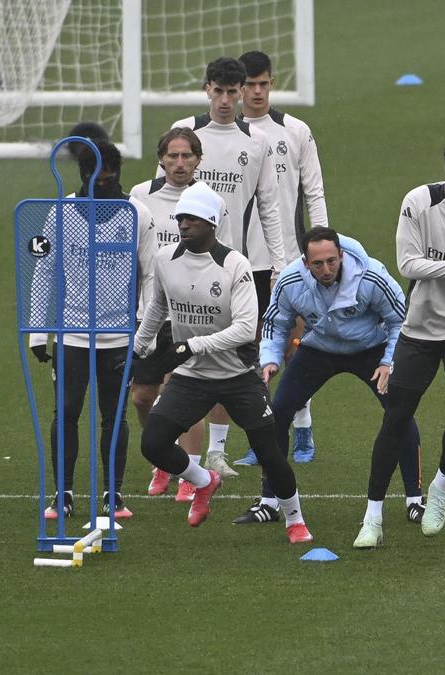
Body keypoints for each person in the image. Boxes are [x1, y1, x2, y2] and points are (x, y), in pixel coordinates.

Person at [134, 181, 313, 544]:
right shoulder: (165, 260)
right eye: (181, 218)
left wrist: (193, 346)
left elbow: (246, 329)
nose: (184, 224)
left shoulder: (235, 265)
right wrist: (138, 347)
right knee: (153, 443)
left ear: (212, 223)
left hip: (237, 376)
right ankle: (203, 481)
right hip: (191, 377)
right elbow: (158, 305)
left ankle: (295, 519)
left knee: (269, 453)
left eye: (193, 219)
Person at [354, 140, 445, 548]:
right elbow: (408, 265)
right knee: (396, 419)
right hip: (418, 331)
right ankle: (372, 518)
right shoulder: (418, 203)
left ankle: (440, 488)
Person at [234, 227, 424, 525]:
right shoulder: (290, 280)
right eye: (318, 264)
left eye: (332, 261)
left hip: (370, 349)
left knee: (399, 412)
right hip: (318, 349)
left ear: (342, 256)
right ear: (305, 263)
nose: (326, 269)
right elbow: (275, 323)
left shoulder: (371, 276)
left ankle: (415, 499)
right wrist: (269, 359)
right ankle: (270, 501)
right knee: (277, 413)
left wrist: (388, 362)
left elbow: (401, 320)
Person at [165, 57, 287, 476]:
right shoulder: (186, 132)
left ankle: (217, 451)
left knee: (231, 356)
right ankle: (180, 453)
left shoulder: (256, 141)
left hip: (236, 265)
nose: (224, 100)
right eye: (217, 91)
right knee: (183, 355)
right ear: (207, 90)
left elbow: (269, 206)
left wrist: (280, 265)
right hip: (187, 264)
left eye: (232, 92)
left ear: (241, 93)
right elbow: (164, 197)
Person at [28, 141, 157, 521]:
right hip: (72, 333)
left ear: (117, 174)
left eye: (109, 178)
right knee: (66, 411)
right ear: (83, 175)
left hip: (120, 335)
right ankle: (63, 494)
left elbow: (151, 274)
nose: (102, 185)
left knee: (114, 416)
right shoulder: (61, 212)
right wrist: (39, 332)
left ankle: (113, 495)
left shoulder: (137, 213)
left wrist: (146, 331)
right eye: (95, 179)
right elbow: (44, 269)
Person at [231, 49, 330, 465]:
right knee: (251, 352)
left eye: (263, 84)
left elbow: (314, 192)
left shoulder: (295, 131)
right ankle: (266, 437)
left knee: (293, 348)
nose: (257, 92)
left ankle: (303, 429)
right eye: (249, 85)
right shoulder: (226, 137)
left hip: (288, 258)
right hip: (238, 261)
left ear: (272, 83)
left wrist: (324, 248)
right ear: (238, 88)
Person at [130, 128, 239, 503]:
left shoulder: (211, 199)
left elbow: (225, 255)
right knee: (142, 397)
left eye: (187, 156)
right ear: (161, 159)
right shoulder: (140, 196)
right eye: (172, 156)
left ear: (198, 160)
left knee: (184, 392)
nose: (179, 163)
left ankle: (190, 473)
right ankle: (165, 460)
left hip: (193, 312)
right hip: (150, 309)